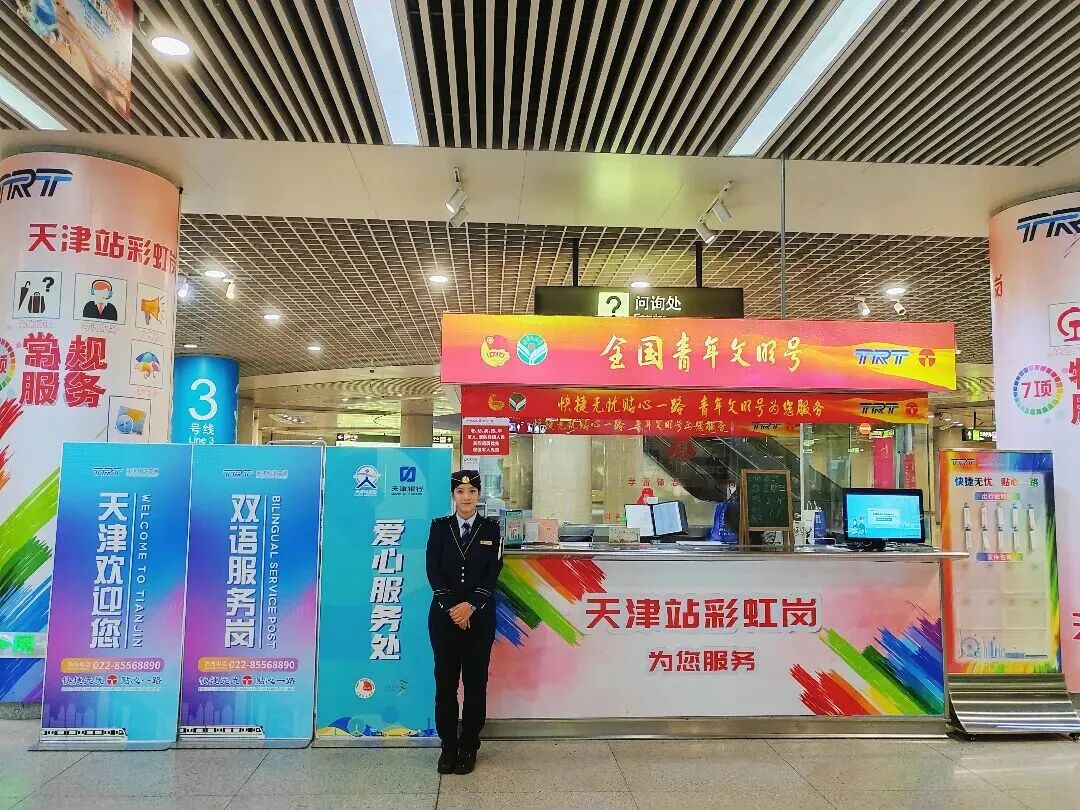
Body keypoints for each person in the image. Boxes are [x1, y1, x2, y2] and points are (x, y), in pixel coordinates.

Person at [426, 470, 502, 775]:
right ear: (453, 496)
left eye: (471, 492)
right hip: (444, 618)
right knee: (445, 683)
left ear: (479, 495)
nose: (466, 497)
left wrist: (470, 606)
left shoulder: (491, 529)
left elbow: (493, 572)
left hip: (479, 617)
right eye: (460, 492)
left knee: (475, 683)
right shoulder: (439, 527)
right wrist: (452, 608)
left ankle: (469, 744)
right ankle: (448, 745)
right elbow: (433, 569)